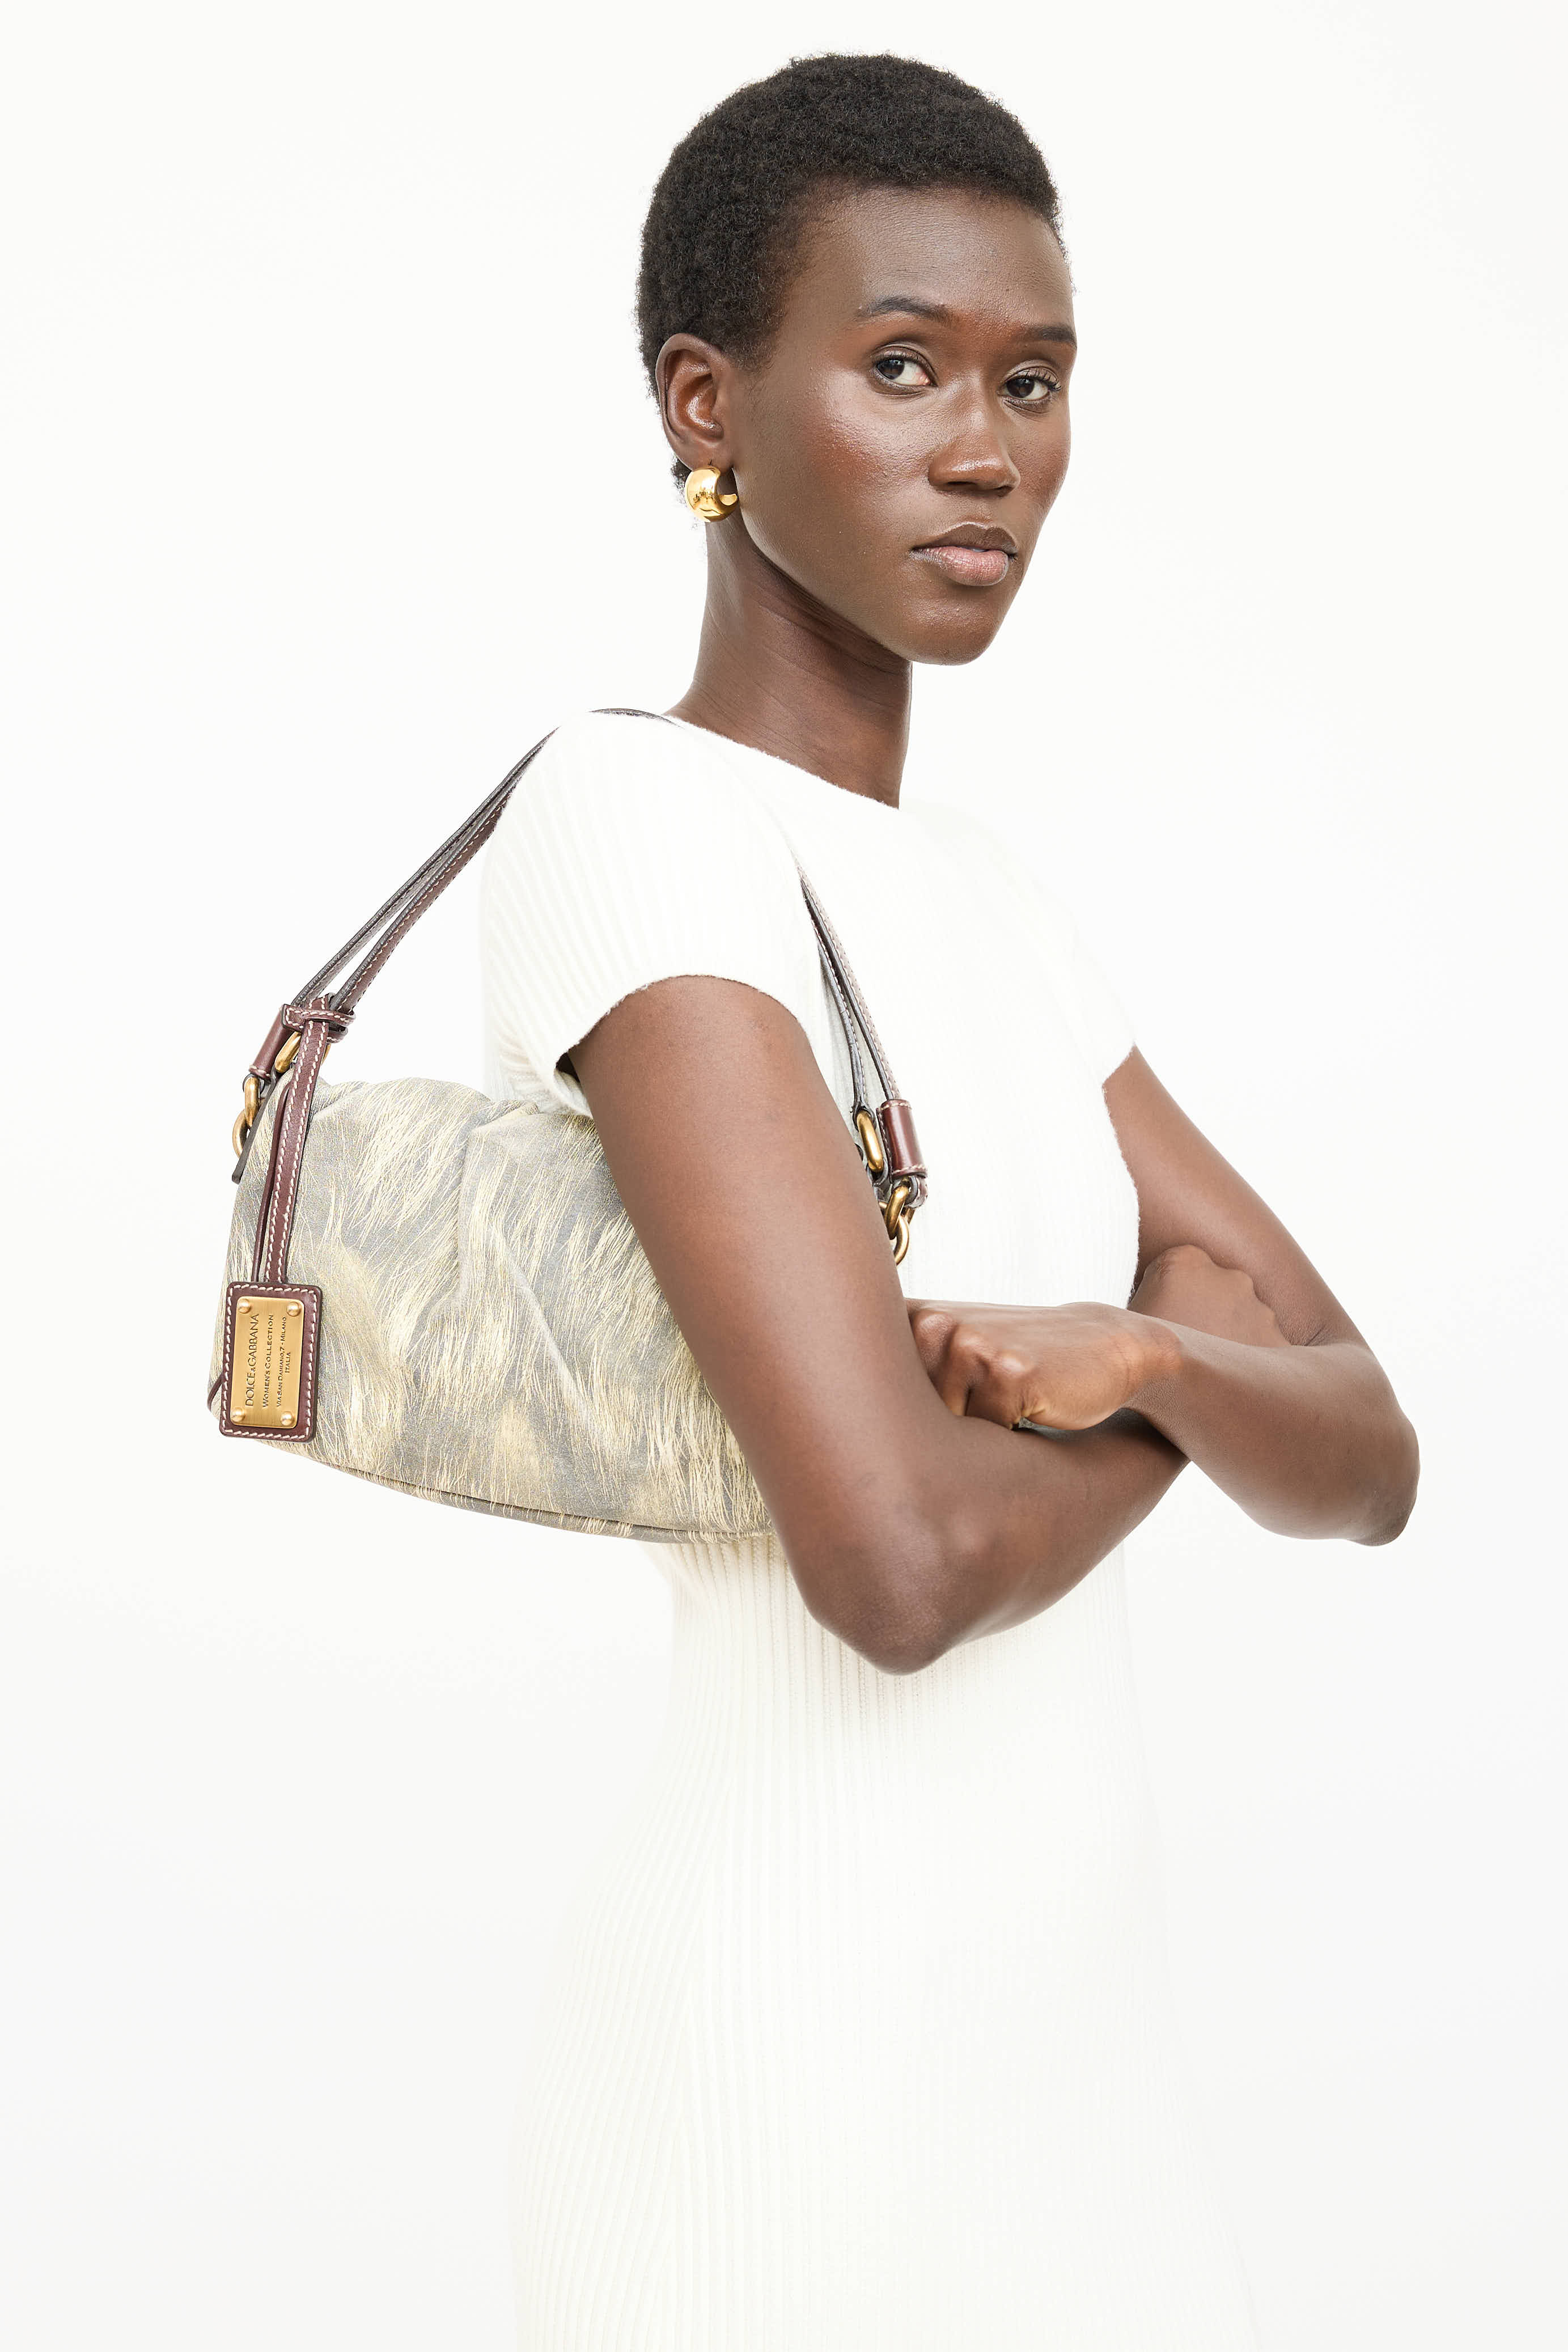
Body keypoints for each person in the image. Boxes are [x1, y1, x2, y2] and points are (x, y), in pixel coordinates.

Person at [479, 52, 1418, 2352]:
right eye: (900, 366)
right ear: (706, 403)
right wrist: (1197, 1387)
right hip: (789, 2087)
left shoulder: (988, 893)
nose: (986, 447)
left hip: (1085, 2070)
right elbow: (891, 1568)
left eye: (1031, 379)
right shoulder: (636, 822)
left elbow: (1372, 1449)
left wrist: (1150, 1350)